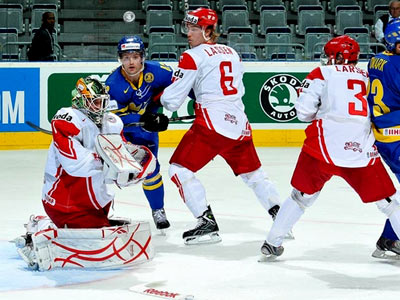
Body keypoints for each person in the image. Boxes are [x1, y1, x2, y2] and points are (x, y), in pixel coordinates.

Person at [260, 35, 400, 260]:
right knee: (388, 204)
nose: (326, 59)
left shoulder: (321, 73)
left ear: (337, 56)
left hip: (322, 149)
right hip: (360, 150)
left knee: (300, 197)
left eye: (328, 55)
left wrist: (321, 111)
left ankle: (271, 243)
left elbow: (304, 113)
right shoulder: (366, 75)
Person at [160, 8, 283, 245]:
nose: (188, 33)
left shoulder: (192, 55)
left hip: (211, 124)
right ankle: (281, 216)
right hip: (239, 125)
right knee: (254, 174)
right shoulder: (232, 52)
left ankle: (205, 222)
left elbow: (172, 100)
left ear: (208, 31)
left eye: (194, 28)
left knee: (179, 169)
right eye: (188, 28)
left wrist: (163, 99)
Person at [13, 76, 157, 270]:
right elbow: (76, 165)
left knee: (102, 237)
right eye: (95, 102)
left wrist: (136, 167)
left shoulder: (112, 123)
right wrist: (112, 161)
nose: (100, 107)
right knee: (95, 245)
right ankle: (41, 227)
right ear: (81, 100)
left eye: (102, 102)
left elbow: (121, 159)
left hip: (98, 201)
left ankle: (49, 224)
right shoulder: (66, 119)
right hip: (65, 201)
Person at [106, 36, 172, 231]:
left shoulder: (159, 72)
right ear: (120, 60)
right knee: (107, 174)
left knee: (152, 169)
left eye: (135, 56)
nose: (131, 62)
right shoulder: (113, 84)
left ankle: (158, 210)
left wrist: (199, 103)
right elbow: (114, 118)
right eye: (126, 58)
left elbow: (182, 84)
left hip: (147, 132)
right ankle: (98, 211)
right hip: (122, 134)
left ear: (143, 57)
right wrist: (145, 120)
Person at [367, 19, 400, 259]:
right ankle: (388, 239)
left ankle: (389, 238)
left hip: (381, 134)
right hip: (396, 135)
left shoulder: (376, 59)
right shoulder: (396, 65)